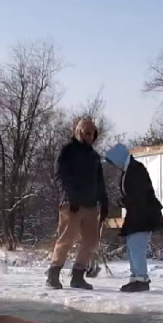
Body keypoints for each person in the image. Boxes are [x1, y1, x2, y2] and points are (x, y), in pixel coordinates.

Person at [47, 117, 109, 291]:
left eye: (92, 133)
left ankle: (78, 275)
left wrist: (104, 202)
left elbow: (100, 182)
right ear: (80, 132)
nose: (89, 136)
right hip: (72, 204)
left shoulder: (95, 156)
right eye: (87, 133)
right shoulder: (67, 151)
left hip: (91, 204)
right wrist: (70, 196)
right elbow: (60, 175)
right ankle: (53, 274)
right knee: (66, 238)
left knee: (91, 241)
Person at [103, 143, 163, 292]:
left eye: (113, 162)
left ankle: (141, 279)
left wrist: (124, 201)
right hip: (137, 214)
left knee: (137, 246)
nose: (114, 166)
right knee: (133, 246)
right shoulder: (129, 169)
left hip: (144, 214)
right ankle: (136, 277)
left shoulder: (136, 169)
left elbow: (140, 193)